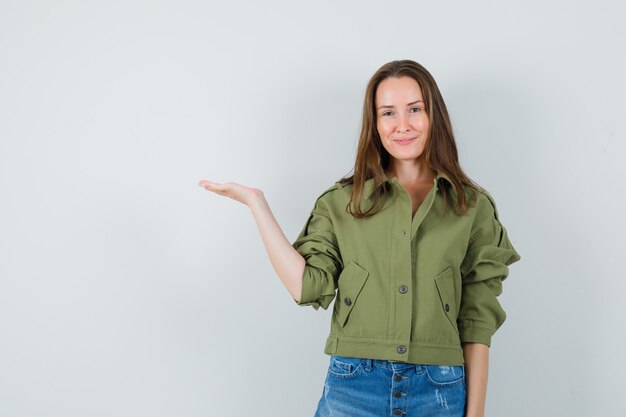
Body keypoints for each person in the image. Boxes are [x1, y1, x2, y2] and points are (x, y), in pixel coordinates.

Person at [198, 59, 521, 417]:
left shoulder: (471, 207)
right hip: (354, 389)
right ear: (375, 123)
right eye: (388, 113)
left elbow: (476, 324)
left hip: (439, 392)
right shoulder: (341, 204)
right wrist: (257, 205)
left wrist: (475, 415)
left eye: (415, 109)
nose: (402, 125)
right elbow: (306, 286)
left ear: (434, 117)